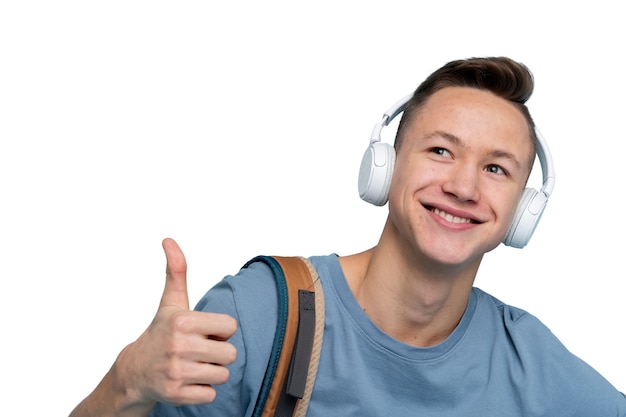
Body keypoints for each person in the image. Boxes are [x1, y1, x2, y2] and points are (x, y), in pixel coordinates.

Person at [70, 57, 626, 417]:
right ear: (384, 168)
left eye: (497, 169)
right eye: (440, 150)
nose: (462, 185)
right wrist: (127, 382)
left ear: (522, 212)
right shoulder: (264, 313)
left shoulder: (528, 359)